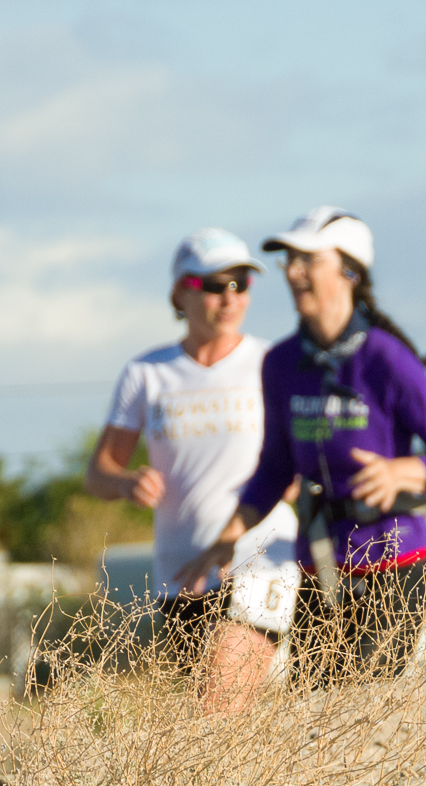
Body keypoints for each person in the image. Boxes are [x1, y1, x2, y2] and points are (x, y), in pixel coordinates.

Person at [177, 207, 426, 682]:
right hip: (319, 565)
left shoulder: (386, 358)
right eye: (289, 260)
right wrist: (226, 541)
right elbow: (275, 468)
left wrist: (401, 472)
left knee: (355, 708)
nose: (292, 272)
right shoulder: (280, 363)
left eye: (307, 260)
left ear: (349, 272)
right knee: (311, 711)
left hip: (394, 563)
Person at [85, 228, 301, 692]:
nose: (229, 298)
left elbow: (303, 460)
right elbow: (97, 473)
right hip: (182, 573)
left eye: (240, 284)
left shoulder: (274, 362)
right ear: (181, 292)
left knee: (218, 704)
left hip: (260, 555)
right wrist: (126, 482)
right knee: (205, 730)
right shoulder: (147, 373)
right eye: (213, 285)